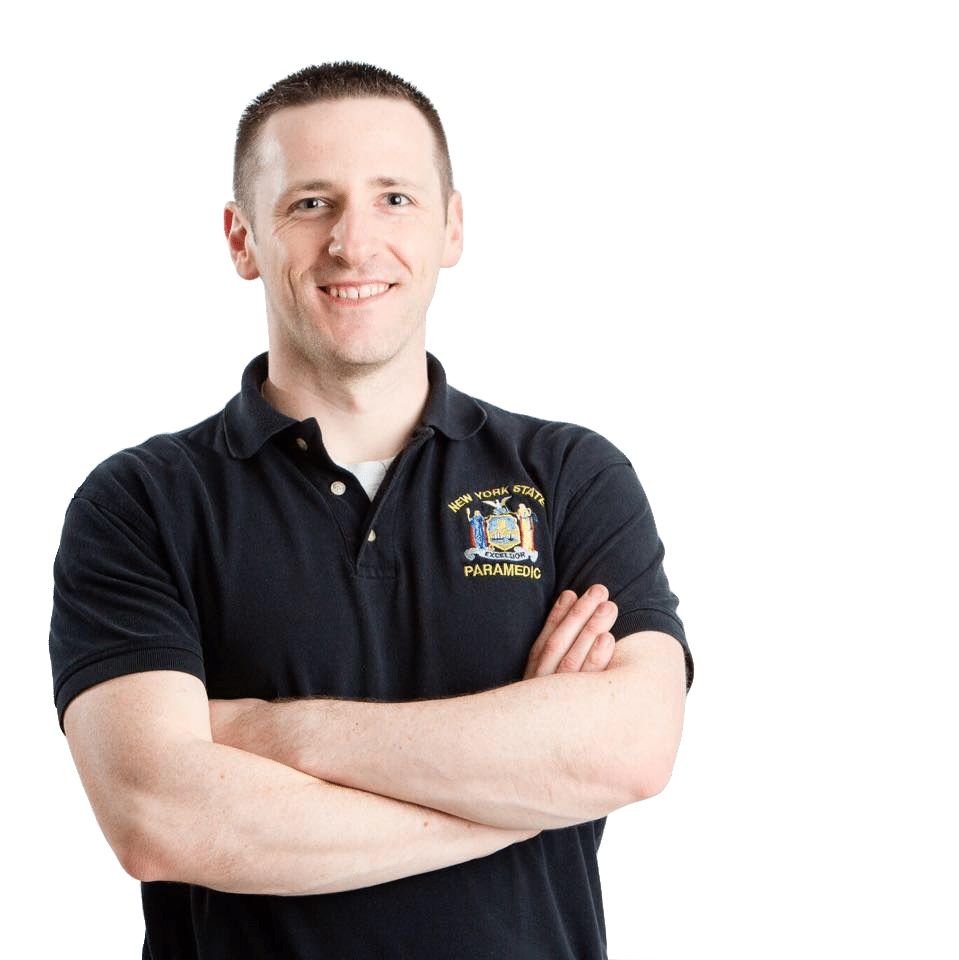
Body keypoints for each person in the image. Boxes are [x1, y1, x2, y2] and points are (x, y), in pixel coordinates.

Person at [49, 60, 694, 959]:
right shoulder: (140, 503)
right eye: (310, 203)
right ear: (242, 240)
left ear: (450, 226)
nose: (353, 244)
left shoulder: (569, 476)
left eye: (394, 198)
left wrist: (271, 731)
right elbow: (161, 818)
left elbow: (628, 751)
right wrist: (523, 795)